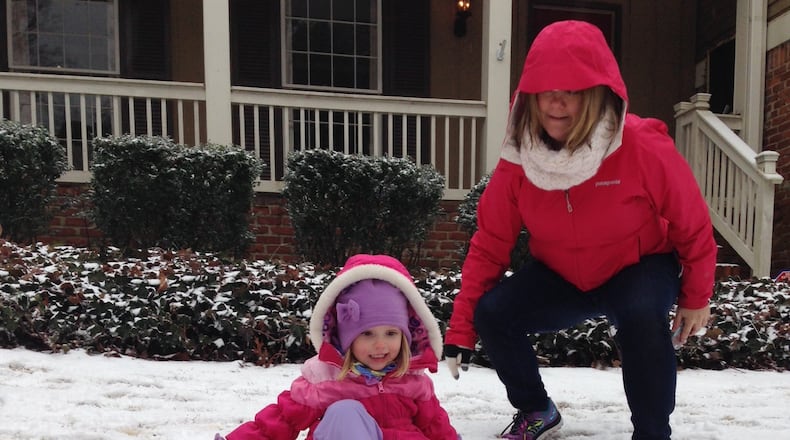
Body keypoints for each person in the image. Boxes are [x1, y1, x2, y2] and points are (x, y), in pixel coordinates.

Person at [443, 20, 717, 440]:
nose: (556, 101)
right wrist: (461, 329)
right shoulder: (519, 160)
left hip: (637, 266)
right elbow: (490, 245)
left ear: (596, 93)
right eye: (545, 88)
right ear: (528, 93)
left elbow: (692, 224)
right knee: (494, 313)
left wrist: (696, 297)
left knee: (642, 313)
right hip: (563, 275)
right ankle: (536, 409)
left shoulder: (640, 145)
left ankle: (651, 431)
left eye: (572, 89)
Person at [217, 254, 460, 440]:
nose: (380, 344)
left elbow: (436, 427)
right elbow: (281, 421)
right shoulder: (326, 380)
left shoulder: (413, 381)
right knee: (345, 412)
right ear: (346, 339)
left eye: (391, 333)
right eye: (366, 333)